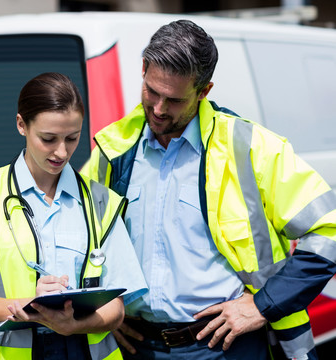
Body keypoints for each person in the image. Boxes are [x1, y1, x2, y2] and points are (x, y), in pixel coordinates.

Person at [81, 19, 336, 360]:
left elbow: (329, 230)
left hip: (224, 348)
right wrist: (101, 308)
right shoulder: (113, 151)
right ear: (143, 69)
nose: (157, 109)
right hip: (137, 347)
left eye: (173, 100)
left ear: (204, 91)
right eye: (152, 92)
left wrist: (263, 305)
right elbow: (80, 239)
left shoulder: (251, 148)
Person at [0, 72, 146, 360]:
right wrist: (29, 306)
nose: (62, 151)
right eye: (48, 139)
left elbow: (116, 308)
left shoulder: (102, 203)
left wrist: (75, 325)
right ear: (22, 125)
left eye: (72, 138)